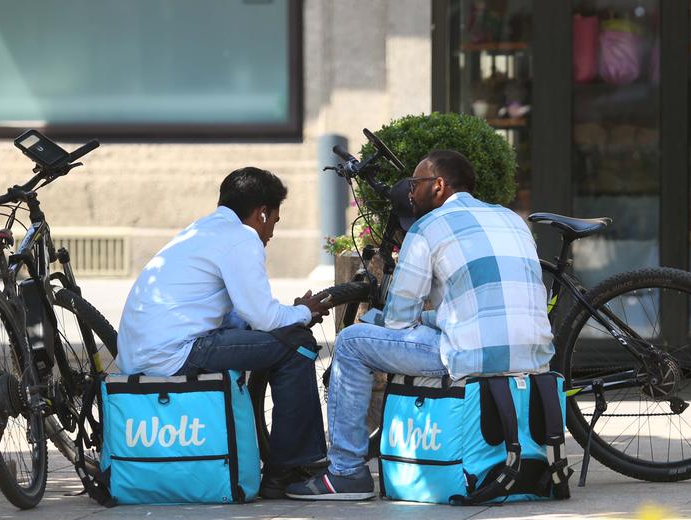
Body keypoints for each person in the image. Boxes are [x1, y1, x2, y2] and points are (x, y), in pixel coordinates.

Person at [287, 149, 554, 500]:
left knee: (352, 341)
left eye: (415, 184)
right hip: (535, 359)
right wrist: (429, 318)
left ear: (439, 186)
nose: (409, 192)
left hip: (470, 358)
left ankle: (347, 472)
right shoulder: (512, 219)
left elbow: (399, 319)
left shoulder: (428, 227)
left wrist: (382, 319)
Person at [116, 166, 331, 499]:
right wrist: (305, 312)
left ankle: (286, 459)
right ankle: (288, 469)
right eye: (274, 220)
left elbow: (237, 316)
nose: (271, 232)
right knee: (297, 345)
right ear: (261, 213)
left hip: (142, 354)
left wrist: (289, 316)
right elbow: (263, 317)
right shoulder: (242, 238)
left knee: (286, 337)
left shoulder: (201, 230)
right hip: (178, 352)